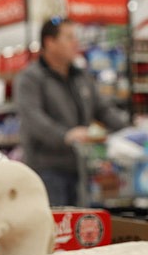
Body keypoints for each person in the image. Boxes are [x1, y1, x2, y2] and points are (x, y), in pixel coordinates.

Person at [15, 17, 129, 206]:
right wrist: (66, 135)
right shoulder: (31, 78)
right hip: (47, 171)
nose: (75, 43)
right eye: (69, 37)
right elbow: (33, 118)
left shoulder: (81, 76)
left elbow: (102, 109)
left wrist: (130, 130)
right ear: (49, 42)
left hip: (82, 169)